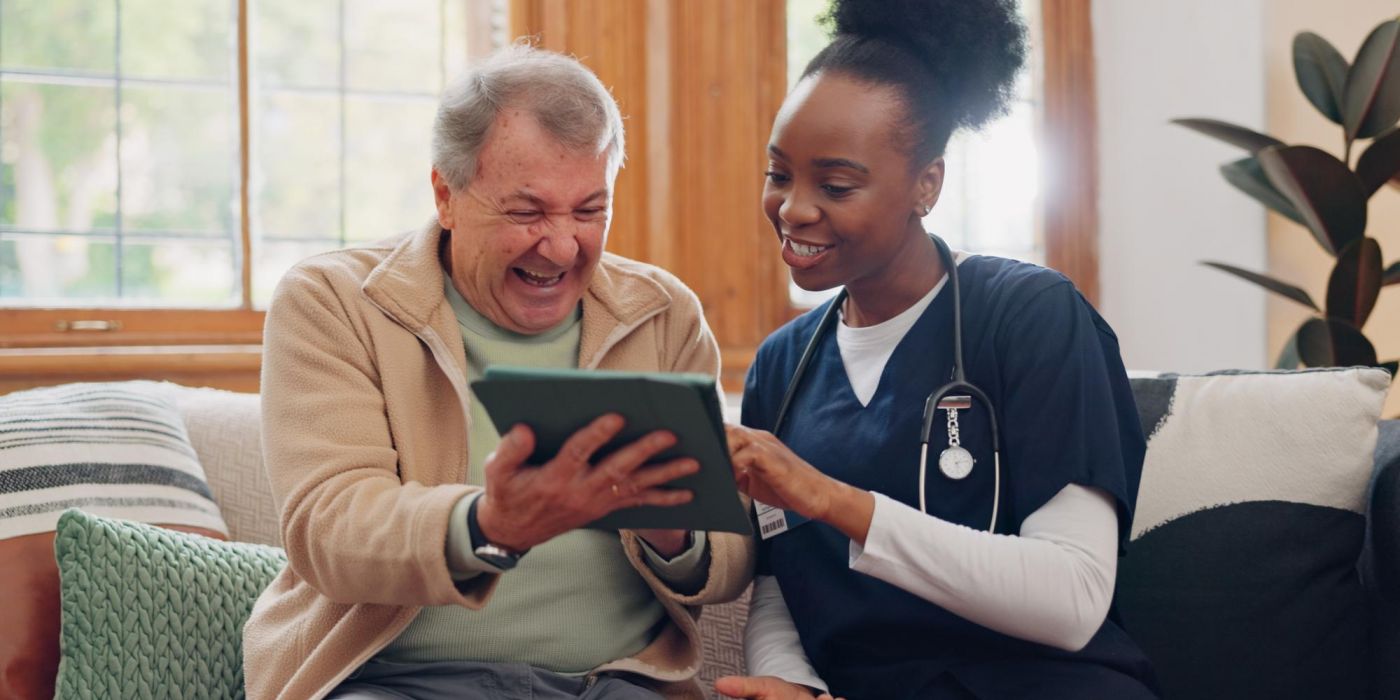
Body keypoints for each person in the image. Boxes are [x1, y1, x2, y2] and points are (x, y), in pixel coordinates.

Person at [243, 45, 753, 700]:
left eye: (589, 210)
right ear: (446, 196)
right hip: (392, 681)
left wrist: (672, 528)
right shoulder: (334, 301)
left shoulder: (662, 315)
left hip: (611, 685)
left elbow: (731, 555)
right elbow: (329, 530)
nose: (562, 246)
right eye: (526, 212)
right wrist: (487, 525)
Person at [715, 1, 1158, 698]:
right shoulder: (782, 365)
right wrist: (792, 683)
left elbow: (1073, 598)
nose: (793, 208)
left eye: (836, 185)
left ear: (927, 184)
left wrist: (831, 499)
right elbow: (780, 581)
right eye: (779, 174)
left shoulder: (1029, 316)